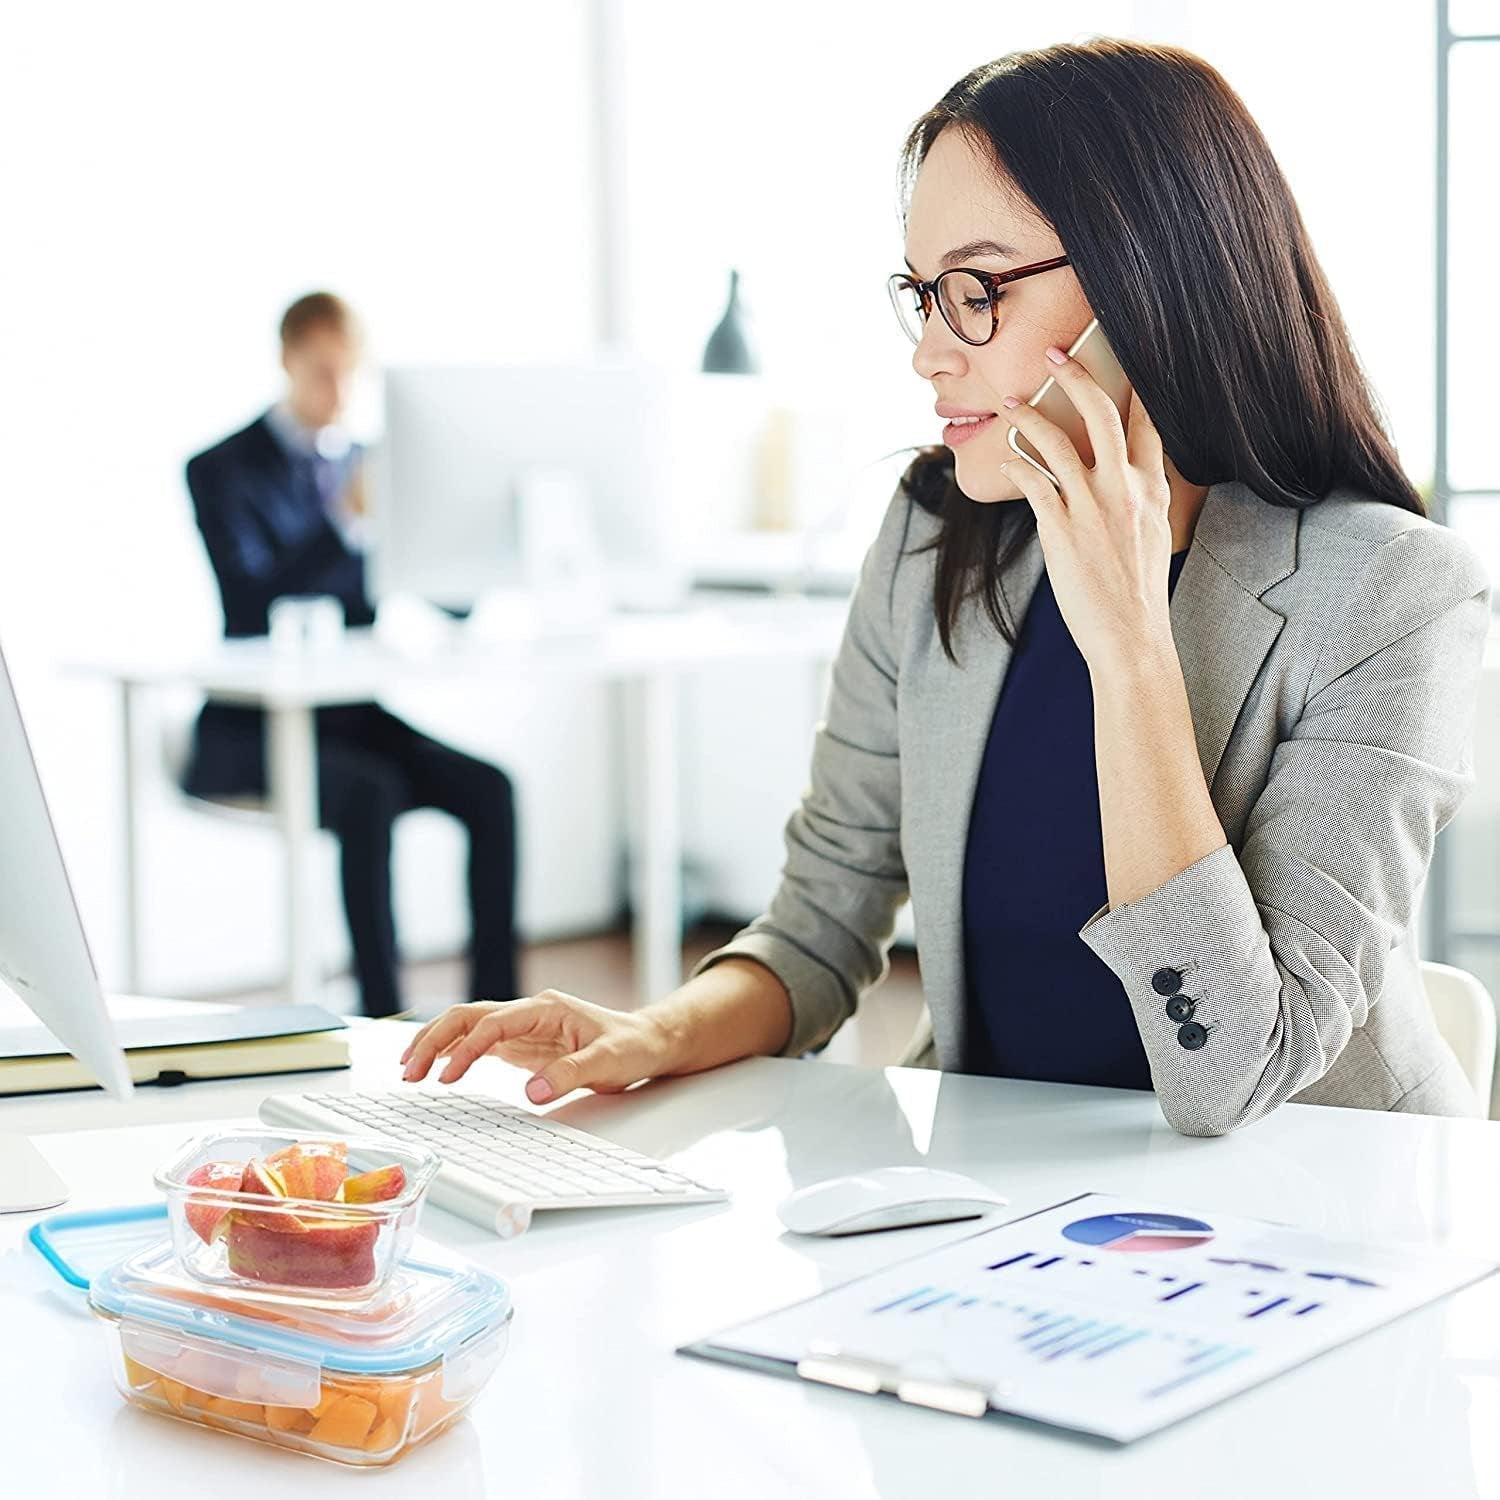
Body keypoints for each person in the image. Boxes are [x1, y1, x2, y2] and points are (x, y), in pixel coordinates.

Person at [400, 39, 1490, 1133]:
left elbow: (1238, 1077)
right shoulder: (937, 534)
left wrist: (1129, 648)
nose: (929, 353)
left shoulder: (1395, 595)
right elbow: (819, 924)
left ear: (1146, 289)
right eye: (923, 295)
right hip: (998, 1205)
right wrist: (652, 1033)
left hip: (1327, 1221)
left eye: (975, 292)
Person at [181, 292, 520, 1018]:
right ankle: (386, 1020)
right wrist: (344, 519)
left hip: (351, 716)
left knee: (490, 789)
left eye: (349, 374)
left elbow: (451, 601)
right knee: (371, 793)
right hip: (251, 728)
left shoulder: (373, 466)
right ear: (287, 360)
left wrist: (467, 519)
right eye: (321, 372)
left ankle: (496, 1011)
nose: (337, 393)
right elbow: (250, 601)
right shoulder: (220, 469)